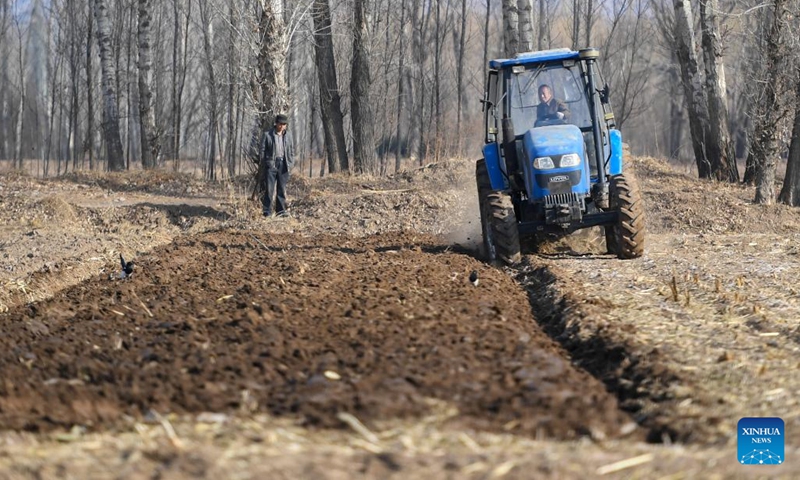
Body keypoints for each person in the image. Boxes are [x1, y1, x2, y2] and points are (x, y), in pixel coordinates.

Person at [259, 113, 294, 217]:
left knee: (281, 189)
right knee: (269, 189)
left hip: (284, 164)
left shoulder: (289, 135)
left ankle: (281, 211)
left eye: (284, 124)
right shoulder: (267, 135)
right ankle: (267, 211)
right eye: (280, 124)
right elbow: (262, 150)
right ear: (276, 123)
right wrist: (267, 163)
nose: (282, 126)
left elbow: (291, 150)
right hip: (272, 164)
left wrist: (290, 163)